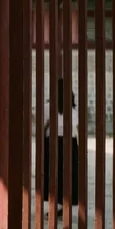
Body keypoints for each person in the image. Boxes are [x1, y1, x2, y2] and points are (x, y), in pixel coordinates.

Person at [42, 79, 80, 216]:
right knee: (68, 175)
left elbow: (43, 124)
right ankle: (64, 205)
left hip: (52, 142)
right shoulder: (73, 109)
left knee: (53, 174)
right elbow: (75, 128)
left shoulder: (48, 106)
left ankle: (54, 205)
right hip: (70, 143)